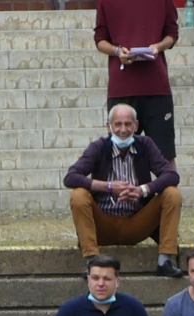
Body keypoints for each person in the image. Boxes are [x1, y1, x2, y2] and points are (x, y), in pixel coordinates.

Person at [65, 105, 183, 274]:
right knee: (78, 195)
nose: (123, 129)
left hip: (137, 222)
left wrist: (142, 190)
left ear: (136, 125)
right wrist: (108, 187)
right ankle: (92, 261)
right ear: (109, 126)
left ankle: (165, 260)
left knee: (172, 193)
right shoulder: (98, 147)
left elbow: (171, 175)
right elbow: (71, 177)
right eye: (118, 124)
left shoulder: (145, 144)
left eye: (128, 124)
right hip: (103, 223)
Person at [94, 0, 179, 159]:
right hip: (122, 88)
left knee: (164, 155)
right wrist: (117, 51)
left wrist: (158, 47)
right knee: (120, 155)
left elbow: (172, 33)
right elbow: (100, 40)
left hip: (156, 87)